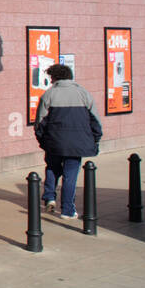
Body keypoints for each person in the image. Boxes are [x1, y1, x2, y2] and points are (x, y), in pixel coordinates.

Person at [34, 63, 102, 219]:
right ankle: (67, 210)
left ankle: (50, 197)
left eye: (51, 78)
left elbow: (40, 123)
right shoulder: (84, 94)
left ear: (55, 78)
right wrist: (95, 140)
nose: (51, 81)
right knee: (70, 176)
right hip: (77, 144)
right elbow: (95, 122)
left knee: (52, 167)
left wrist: (43, 141)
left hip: (54, 142)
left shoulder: (48, 95)